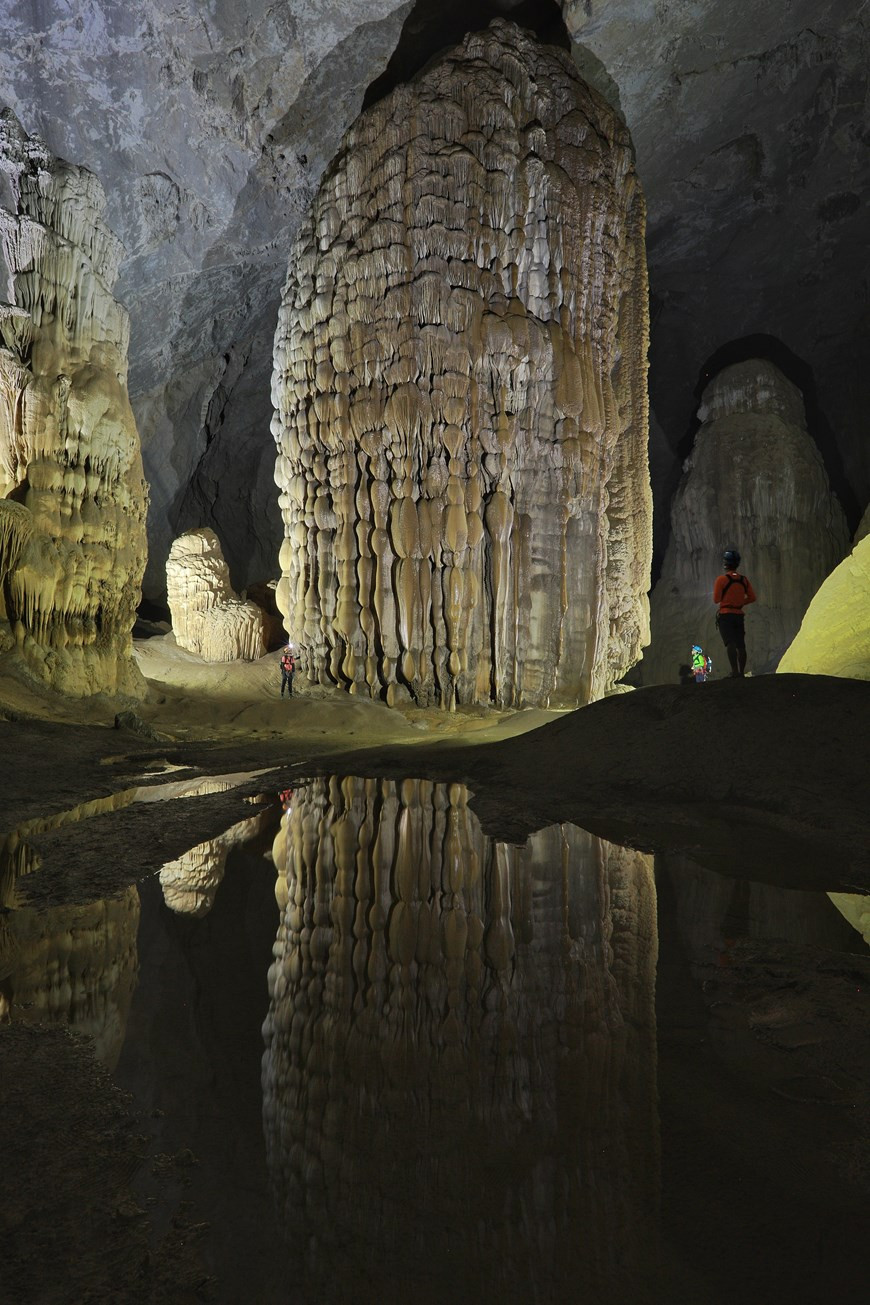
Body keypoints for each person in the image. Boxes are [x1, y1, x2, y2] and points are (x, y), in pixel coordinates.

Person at [713, 549, 756, 677]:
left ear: (725, 564)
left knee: (730, 643)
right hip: (738, 615)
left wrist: (728, 599)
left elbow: (716, 599)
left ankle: (735, 672)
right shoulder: (743, 580)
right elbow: (752, 597)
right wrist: (740, 602)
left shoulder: (721, 580)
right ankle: (741, 673)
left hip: (726, 615)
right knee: (741, 645)